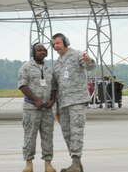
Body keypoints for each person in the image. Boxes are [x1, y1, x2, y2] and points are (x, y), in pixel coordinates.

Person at [51, 33, 95, 172]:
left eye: (58, 43)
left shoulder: (77, 55)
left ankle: (75, 163)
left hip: (77, 100)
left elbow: (90, 66)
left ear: (65, 42)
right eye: (54, 44)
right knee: (67, 133)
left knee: (76, 131)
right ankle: (76, 162)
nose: (55, 46)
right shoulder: (57, 64)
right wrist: (56, 108)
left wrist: (88, 60)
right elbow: (55, 86)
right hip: (62, 103)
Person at [19, 42, 58, 172]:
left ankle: (48, 164)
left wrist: (52, 99)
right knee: (30, 136)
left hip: (47, 109)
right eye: (39, 50)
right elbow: (23, 85)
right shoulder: (26, 67)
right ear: (33, 53)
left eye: (44, 50)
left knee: (48, 136)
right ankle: (28, 163)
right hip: (31, 109)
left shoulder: (49, 69)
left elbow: (54, 87)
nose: (42, 52)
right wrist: (35, 100)